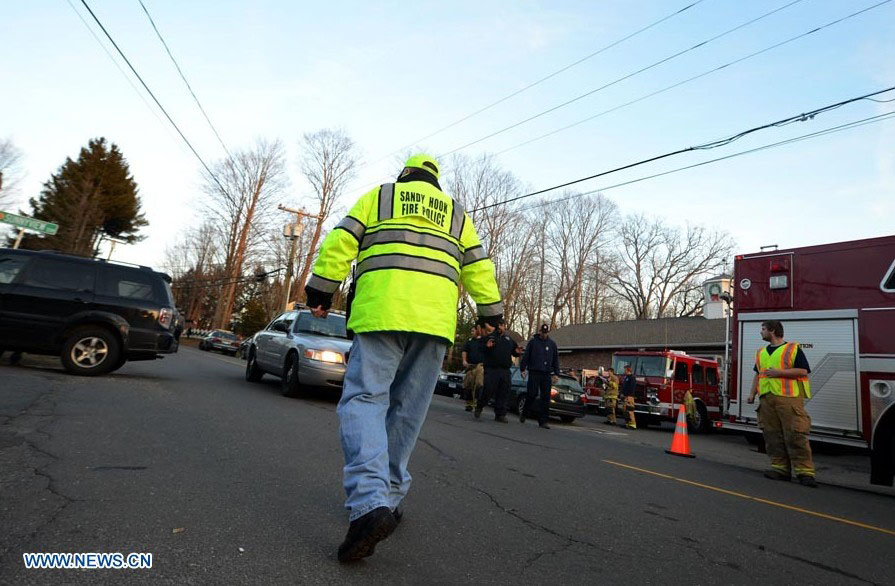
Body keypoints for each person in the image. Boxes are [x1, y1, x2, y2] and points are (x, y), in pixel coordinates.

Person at [304, 153, 503, 562]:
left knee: (364, 401)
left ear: (405, 176)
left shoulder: (380, 198)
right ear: (436, 183)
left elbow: (341, 240)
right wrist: (491, 312)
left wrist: (321, 288)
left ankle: (368, 505)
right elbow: (478, 265)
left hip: (381, 314)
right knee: (407, 412)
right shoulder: (456, 215)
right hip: (433, 324)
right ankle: (389, 501)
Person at [747, 320, 816, 487]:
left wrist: (779, 373)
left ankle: (805, 473)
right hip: (767, 399)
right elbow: (758, 375)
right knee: (772, 435)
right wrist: (752, 393)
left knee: (795, 434)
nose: (761, 332)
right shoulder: (761, 352)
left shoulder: (792, 349)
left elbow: (803, 370)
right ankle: (780, 469)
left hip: (789, 398)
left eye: (763, 329)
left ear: (772, 330)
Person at [476, 319, 521, 422]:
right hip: (492, 369)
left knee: (504, 392)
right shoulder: (490, 338)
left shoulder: (509, 340)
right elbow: (480, 349)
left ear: (505, 327)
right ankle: (480, 406)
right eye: (499, 325)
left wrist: (517, 352)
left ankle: (500, 414)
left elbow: (515, 352)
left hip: (505, 370)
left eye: (502, 325)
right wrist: (487, 347)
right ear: (496, 326)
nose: (501, 327)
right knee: (488, 390)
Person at [519, 323, 560, 429]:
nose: (544, 335)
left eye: (546, 333)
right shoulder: (533, 343)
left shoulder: (552, 344)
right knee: (531, 394)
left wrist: (556, 373)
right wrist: (522, 369)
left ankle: (543, 421)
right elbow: (526, 356)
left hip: (546, 374)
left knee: (545, 398)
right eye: (543, 332)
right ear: (539, 332)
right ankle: (525, 412)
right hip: (534, 372)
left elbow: (555, 359)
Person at [461, 321, 486, 412]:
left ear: (477, 331)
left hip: (480, 366)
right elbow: (464, 351)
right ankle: (469, 404)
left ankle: (477, 404)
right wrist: (464, 360)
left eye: (473, 331)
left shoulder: (484, 340)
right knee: (468, 384)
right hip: (470, 366)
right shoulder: (469, 341)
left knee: (479, 384)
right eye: (471, 331)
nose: (471, 332)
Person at [619, 365, 637, 429]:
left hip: (629, 396)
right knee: (625, 411)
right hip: (625, 396)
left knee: (629, 410)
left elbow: (631, 388)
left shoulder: (632, 378)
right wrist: (621, 393)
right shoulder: (626, 377)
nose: (624, 371)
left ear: (628, 370)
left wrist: (627, 395)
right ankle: (628, 423)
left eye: (625, 370)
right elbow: (624, 387)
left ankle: (632, 424)